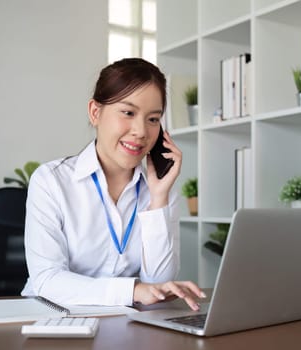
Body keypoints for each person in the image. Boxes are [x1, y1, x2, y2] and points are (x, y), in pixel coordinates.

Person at [21, 58, 205, 311]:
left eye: (153, 119)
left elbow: (159, 286)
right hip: (53, 320)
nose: (141, 131)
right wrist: (133, 291)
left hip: (124, 324)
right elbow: (47, 279)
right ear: (95, 112)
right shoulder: (51, 181)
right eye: (128, 113)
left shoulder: (159, 188)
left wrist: (159, 198)